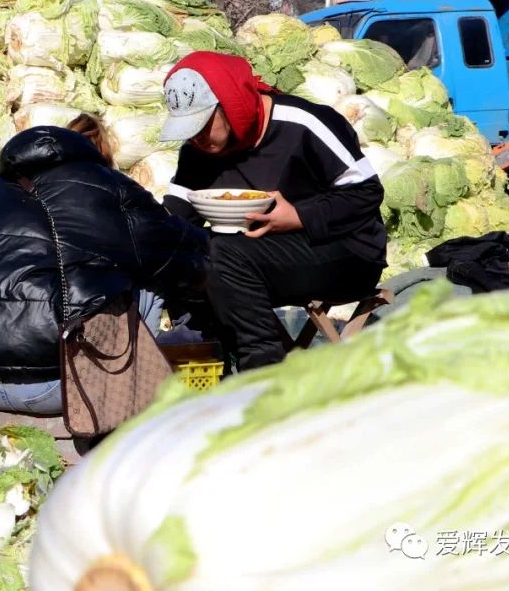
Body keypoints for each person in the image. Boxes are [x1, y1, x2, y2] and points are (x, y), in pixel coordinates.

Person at [0, 116, 208, 415]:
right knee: (149, 271)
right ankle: (122, 389)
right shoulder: (109, 187)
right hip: (56, 386)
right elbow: (180, 250)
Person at [158, 51, 387, 371]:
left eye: (202, 124)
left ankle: (264, 370)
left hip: (346, 252)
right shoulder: (198, 150)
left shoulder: (303, 123)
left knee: (221, 253)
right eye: (189, 130)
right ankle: (212, 361)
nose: (197, 138)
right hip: (251, 258)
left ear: (231, 104)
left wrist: (299, 215)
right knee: (180, 254)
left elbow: (367, 193)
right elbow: (176, 214)